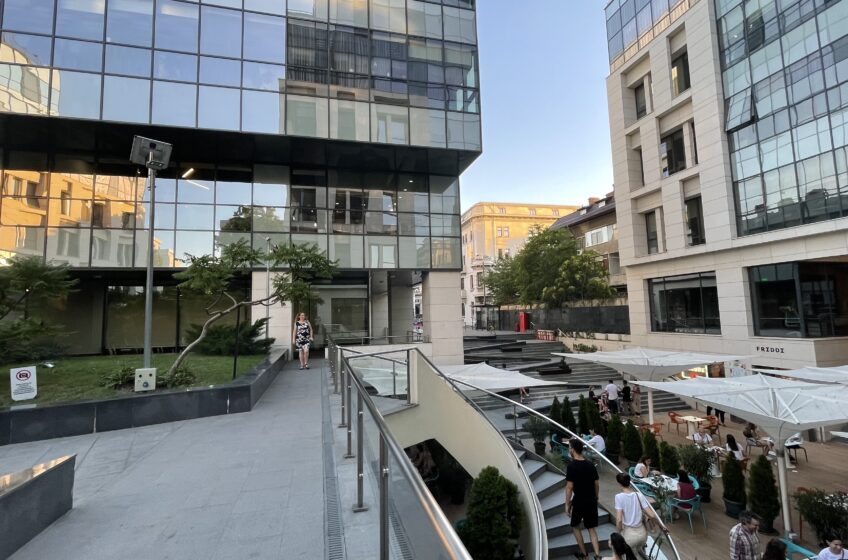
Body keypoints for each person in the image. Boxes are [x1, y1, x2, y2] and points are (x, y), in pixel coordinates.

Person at [565, 438, 601, 560]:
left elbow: (569, 487)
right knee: (591, 529)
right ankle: (597, 556)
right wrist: (596, 496)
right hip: (591, 500)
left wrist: (567, 504)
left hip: (579, 501)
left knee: (575, 526)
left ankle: (585, 555)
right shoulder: (590, 464)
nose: (569, 450)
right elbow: (596, 484)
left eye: (569, 448)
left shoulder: (571, 466)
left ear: (573, 450)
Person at [613, 473, 659, 552]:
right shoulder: (639, 495)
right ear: (629, 482)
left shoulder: (619, 497)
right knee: (638, 553)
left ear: (619, 483)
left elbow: (619, 520)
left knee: (627, 555)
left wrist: (618, 533)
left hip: (629, 535)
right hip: (642, 534)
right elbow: (652, 515)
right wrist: (661, 526)